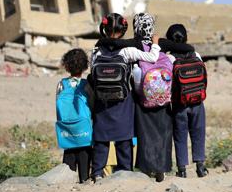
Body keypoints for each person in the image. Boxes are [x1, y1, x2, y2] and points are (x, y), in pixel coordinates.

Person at [89, 13, 161, 182]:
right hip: (123, 101)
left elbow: (92, 74)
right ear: (123, 31)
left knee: (101, 137)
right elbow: (152, 58)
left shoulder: (96, 50)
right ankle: (125, 171)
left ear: (105, 29)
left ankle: (97, 172)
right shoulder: (128, 51)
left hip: (102, 102)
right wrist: (156, 44)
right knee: (124, 137)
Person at [132, 13, 173, 182]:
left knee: (145, 136)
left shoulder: (136, 50)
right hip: (164, 101)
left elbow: (135, 78)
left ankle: (146, 169)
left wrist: (141, 94)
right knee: (163, 135)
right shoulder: (163, 50)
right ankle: (161, 169)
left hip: (144, 102)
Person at [163, 24, 208, 178]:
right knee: (198, 133)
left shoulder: (169, 58)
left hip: (178, 104)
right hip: (197, 101)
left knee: (180, 135)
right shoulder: (196, 54)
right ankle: (200, 167)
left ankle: (182, 170)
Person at [56, 48, 92, 183]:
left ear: (66, 65)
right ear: (84, 66)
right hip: (84, 131)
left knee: (68, 167)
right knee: (85, 159)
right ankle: (84, 181)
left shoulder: (61, 84)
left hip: (67, 130)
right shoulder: (87, 84)